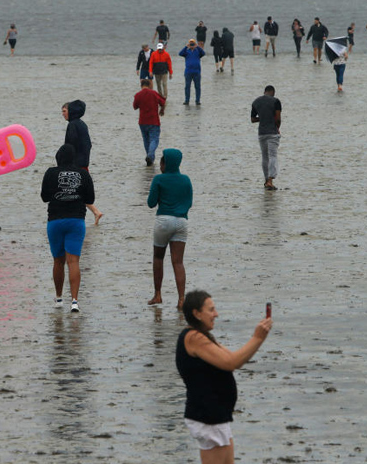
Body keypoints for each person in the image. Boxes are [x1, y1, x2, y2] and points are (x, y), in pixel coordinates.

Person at [176, 290, 273, 464]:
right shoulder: (194, 338)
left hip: (216, 416)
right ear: (197, 314)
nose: (216, 314)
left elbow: (235, 358)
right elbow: (231, 362)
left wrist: (259, 338)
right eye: (211, 310)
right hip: (207, 417)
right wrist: (257, 337)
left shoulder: (203, 336)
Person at [41, 144, 96, 313]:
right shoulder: (83, 173)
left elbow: (44, 197)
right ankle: (74, 301)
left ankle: (58, 298)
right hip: (76, 221)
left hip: (55, 221)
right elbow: (90, 198)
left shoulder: (51, 172)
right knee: (74, 261)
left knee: (58, 260)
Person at [147, 149, 192, 310]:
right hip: (181, 222)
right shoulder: (186, 180)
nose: (160, 166)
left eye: (161, 162)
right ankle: (181, 299)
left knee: (158, 257)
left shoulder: (159, 179)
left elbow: (151, 203)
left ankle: (158, 294)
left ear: (165, 163)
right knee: (178, 261)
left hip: (163, 221)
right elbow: (189, 203)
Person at [61, 100, 104, 224]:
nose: (63, 114)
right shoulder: (82, 124)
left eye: (64, 111)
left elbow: (70, 146)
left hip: (76, 164)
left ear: (71, 111)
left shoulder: (73, 125)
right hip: (83, 162)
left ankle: (93, 212)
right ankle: (94, 212)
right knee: (79, 190)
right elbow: (88, 144)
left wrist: (67, 162)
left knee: (76, 190)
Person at [250, 85, 282, 190]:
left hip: (262, 133)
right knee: (273, 155)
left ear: (265, 92)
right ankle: (270, 180)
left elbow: (253, 119)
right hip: (272, 133)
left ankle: (266, 179)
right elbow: (278, 119)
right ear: (273, 92)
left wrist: (262, 118)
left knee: (264, 157)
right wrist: (277, 127)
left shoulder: (256, 102)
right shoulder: (276, 101)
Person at [133, 78, 166, 166]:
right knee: (154, 139)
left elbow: (135, 106)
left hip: (142, 121)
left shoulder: (138, 95)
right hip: (154, 121)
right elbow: (163, 102)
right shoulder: (154, 93)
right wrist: (162, 110)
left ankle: (150, 159)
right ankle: (150, 156)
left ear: (141, 86)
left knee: (146, 140)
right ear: (149, 85)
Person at [178, 39, 205, 105]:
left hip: (197, 72)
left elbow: (203, 53)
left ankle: (197, 100)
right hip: (188, 72)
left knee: (197, 87)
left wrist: (197, 46)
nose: (192, 45)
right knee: (187, 86)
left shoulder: (198, 51)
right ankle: (187, 100)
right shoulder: (186, 52)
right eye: (191, 43)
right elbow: (180, 53)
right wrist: (186, 47)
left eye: (193, 43)